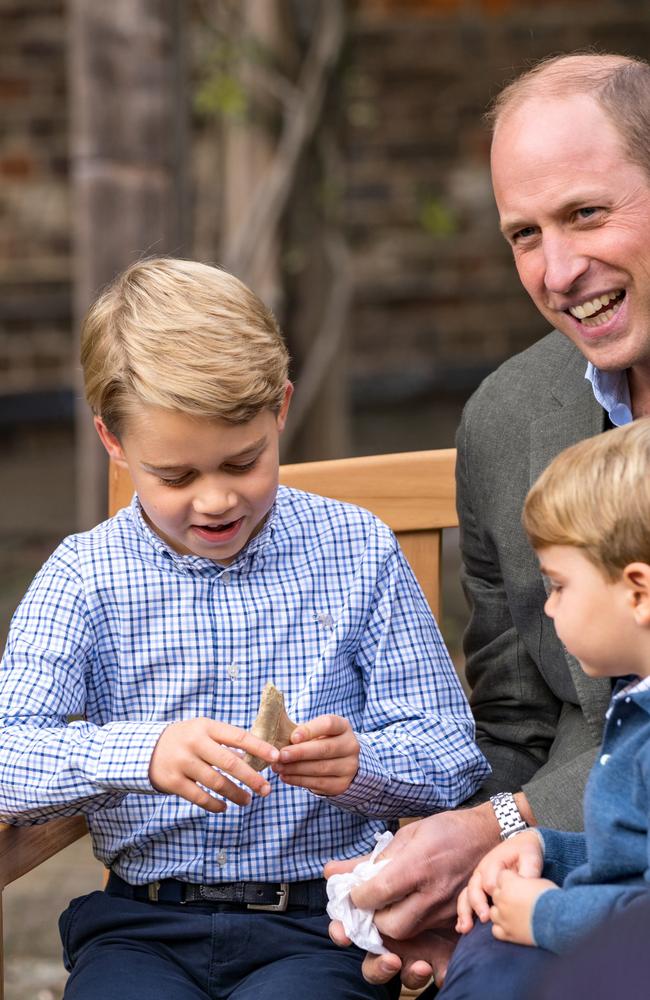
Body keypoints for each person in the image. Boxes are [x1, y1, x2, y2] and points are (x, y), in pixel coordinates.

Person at [0, 258, 489, 1000]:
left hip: (316, 926)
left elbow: (452, 755)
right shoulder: (84, 577)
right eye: (175, 476)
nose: (217, 499)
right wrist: (144, 751)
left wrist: (362, 768)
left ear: (281, 409)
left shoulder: (355, 550)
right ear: (113, 441)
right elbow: (10, 754)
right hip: (142, 928)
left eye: (244, 460)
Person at [327, 50, 650, 991]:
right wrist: (456, 887)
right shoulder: (509, 421)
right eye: (524, 234)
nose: (559, 270)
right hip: (589, 872)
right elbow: (520, 723)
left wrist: (499, 833)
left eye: (588, 213)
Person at [439, 417, 650, 998]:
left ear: (637, 592)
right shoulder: (637, 704)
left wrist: (547, 917)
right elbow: (635, 856)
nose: (549, 610)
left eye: (558, 585)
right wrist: (546, 846)